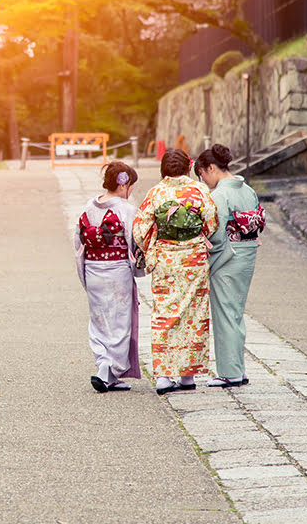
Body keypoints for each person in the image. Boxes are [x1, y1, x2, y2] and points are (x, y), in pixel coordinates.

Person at [132, 149, 219, 395]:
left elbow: (139, 229)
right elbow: (211, 222)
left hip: (166, 262)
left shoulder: (156, 192)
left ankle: (163, 376)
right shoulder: (199, 190)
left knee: (164, 314)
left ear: (164, 169)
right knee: (193, 315)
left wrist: (154, 244)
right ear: (188, 167)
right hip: (193, 261)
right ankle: (187, 376)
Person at [195, 144, 266, 388]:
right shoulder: (247, 190)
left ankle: (230, 372)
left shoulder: (219, 195)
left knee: (225, 313)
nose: (204, 181)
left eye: (203, 174)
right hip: (247, 253)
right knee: (235, 312)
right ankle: (238, 369)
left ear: (211, 168)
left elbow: (215, 233)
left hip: (227, 257)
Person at [74, 161, 144, 393]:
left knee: (99, 320)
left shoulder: (89, 206)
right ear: (124, 185)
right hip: (117, 272)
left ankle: (104, 366)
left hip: (93, 269)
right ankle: (108, 371)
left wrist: (84, 270)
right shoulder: (127, 209)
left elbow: (79, 241)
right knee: (120, 322)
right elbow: (136, 244)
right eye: (131, 185)